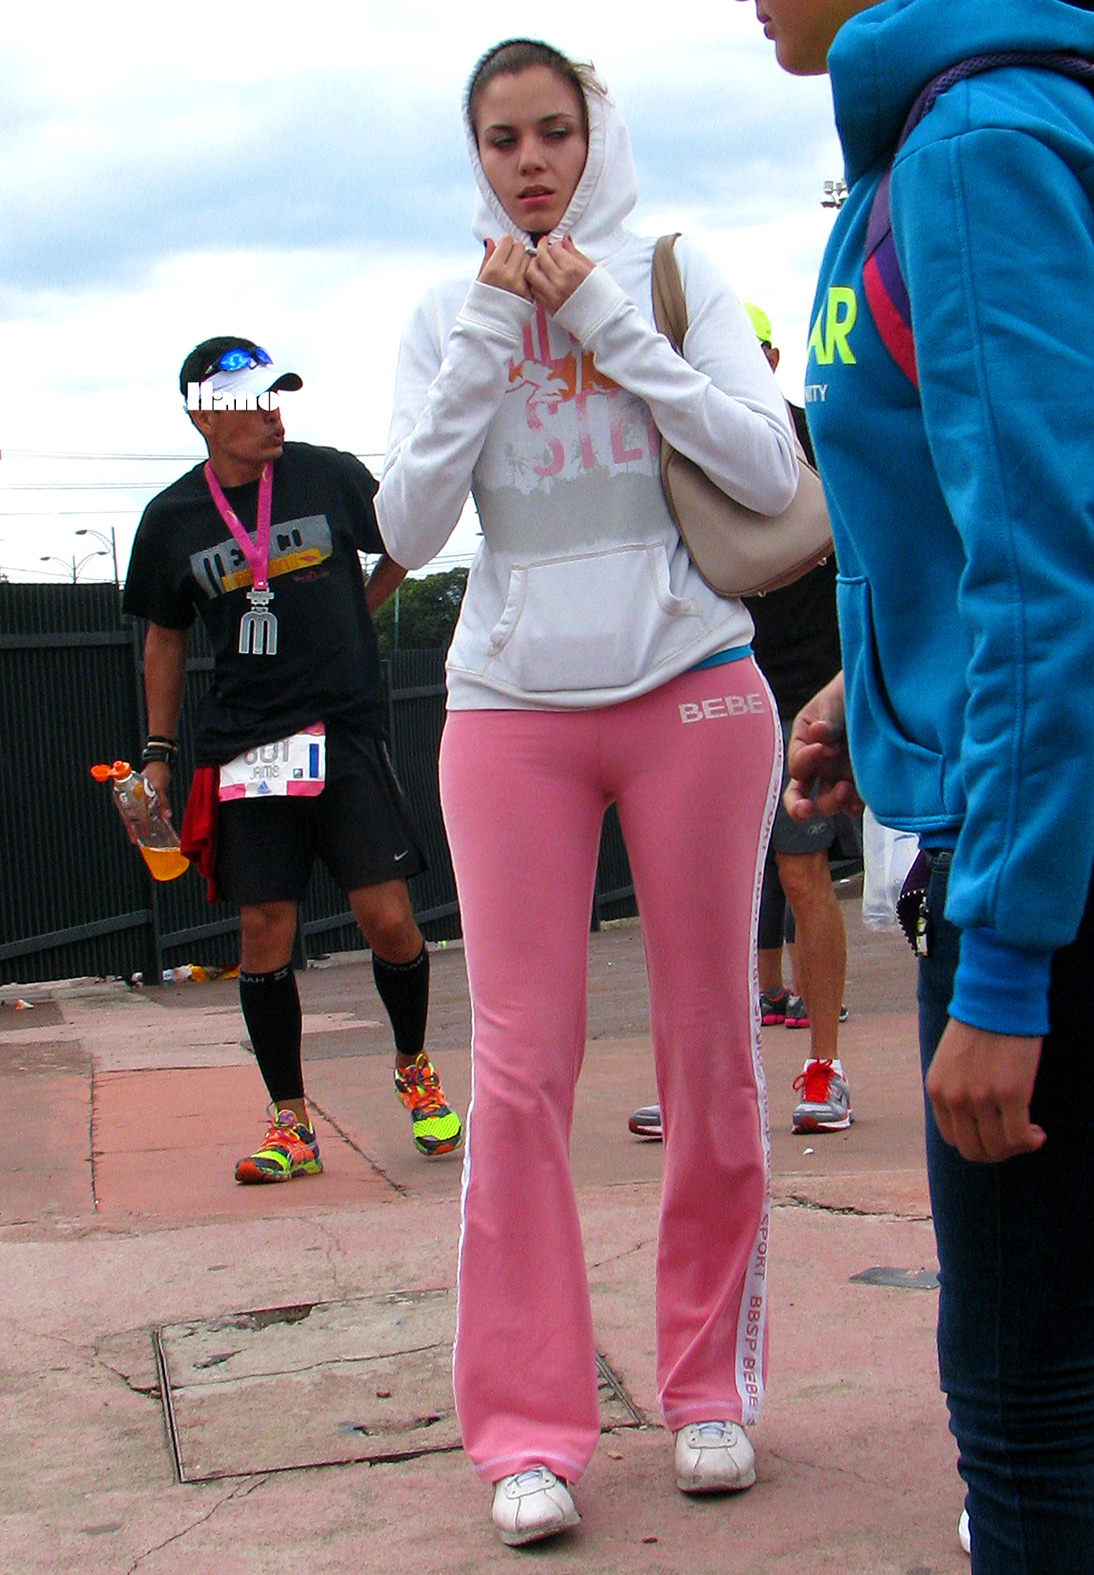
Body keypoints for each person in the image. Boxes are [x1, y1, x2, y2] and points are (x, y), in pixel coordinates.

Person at [377, 38, 796, 1547]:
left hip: (693, 690)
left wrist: (606, 319)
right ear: (476, 155)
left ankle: (706, 1391)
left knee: (709, 1046)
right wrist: (495, 331)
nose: (531, 161)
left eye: (553, 131)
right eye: (502, 139)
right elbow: (407, 526)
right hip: (509, 713)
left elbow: (766, 468)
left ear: (592, 134)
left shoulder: (673, 275)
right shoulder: (446, 311)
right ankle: (526, 1430)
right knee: (517, 1069)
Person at [739, 1, 1094, 1569]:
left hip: (1043, 879)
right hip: (1026, 804)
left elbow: (1044, 561)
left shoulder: (970, 147)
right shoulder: (961, 130)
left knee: (1026, 1404)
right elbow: (969, 524)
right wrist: (866, 689)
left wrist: (1007, 964)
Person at [122, 338, 463, 1183]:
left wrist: (362, 603)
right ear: (204, 417)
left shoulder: (326, 474)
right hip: (246, 746)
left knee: (387, 917)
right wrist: (158, 755)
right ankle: (291, 1124)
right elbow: (164, 640)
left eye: (277, 396)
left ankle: (414, 1065)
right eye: (251, 402)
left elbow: (409, 533)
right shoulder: (172, 519)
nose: (273, 413)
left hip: (342, 728)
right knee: (262, 929)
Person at [629, 303, 852, 1144]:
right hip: (710, 676)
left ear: (772, 355)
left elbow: (874, 545)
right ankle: (704, 1075)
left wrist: (854, 678)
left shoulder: (815, 435)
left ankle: (824, 1067)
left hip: (806, 688)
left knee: (801, 871)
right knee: (692, 886)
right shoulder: (672, 441)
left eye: (747, 350)